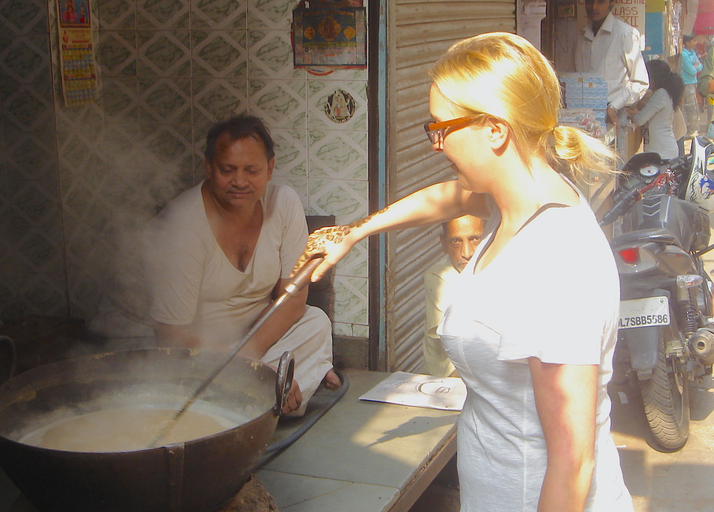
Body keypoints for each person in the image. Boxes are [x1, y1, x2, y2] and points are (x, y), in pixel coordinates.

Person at [294, 33, 633, 511]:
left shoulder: (558, 260)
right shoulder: (517, 200)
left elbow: (573, 463)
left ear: (495, 129)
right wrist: (353, 232)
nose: (435, 144)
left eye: (440, 128)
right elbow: (448, 198)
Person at [145, 115, 340, 415]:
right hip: (202, 349)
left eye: (252, 170)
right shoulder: (183, 224)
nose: (239, 181)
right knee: (183, 372)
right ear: (209, 167)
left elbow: (293, 298)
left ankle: (254, 397)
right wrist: (254, 369)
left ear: (270, 169)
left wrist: (253, 363)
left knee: (315, 323)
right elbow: (171, 335)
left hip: (257, 337)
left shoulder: (284, 203)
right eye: (227, 170)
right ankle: (272, 394)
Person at [574, 0, 648, 159]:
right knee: (588, 171)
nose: (593, 7)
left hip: (613, 118)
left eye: (600, 2)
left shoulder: (625, 34)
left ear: (611, 3)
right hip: (583, 118)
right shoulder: (581, 35)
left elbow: (640, 82)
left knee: (611, 170)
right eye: (590, 2)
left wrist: (614, 106)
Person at [422, 215, 485, 377]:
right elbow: (457, 343)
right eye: (456, 241)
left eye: (475, 239)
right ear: (443, 243)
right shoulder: (439, 277)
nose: (467, 253)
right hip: (451, 375)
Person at [627, 59, 685, 160]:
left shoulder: (661, 94)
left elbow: (639, 119)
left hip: (662, 151)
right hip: (661, 149)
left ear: (652, 79)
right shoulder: (664, 93)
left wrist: (626, 114)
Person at [681, 34, 703, 137]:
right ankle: (692, 129)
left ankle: (691, 128)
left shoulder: (692, 53)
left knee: (691, 106)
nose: (696, 43)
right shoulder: (684, 55)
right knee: (690, 107)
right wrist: (695, 66)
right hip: (686, 83)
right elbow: (692, 71)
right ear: (687, 43)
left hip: (692, 83)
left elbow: (700, 67)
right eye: (694, 41)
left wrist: (695, 66)